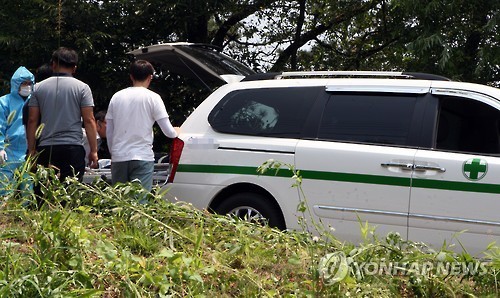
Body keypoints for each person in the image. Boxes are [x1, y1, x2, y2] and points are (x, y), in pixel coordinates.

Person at [27, 47, 98, 188]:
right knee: (70, 194)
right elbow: (89, 120)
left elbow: (32, 120)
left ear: (53, 64)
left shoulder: (38, 88)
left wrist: (31, 150)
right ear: (75, 68)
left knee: (44, 194)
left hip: (46, 149)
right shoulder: (83, 88)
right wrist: (94, 151)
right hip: (73, 148)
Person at [106, 59, 179, 191]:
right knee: (139, 203)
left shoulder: (116, 97)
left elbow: (109, 130)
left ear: (131, 76)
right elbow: (168, 132)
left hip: (119, 157)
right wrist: (176, 131)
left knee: (119, 203)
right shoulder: (153, 98)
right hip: (142, 157)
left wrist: (114, 152)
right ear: (150, 77)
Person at [0, 66, 35, 196]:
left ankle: (25, 214)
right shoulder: (4, 102)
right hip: (9, 151)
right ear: (16, 84)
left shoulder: (35, 101)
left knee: (28, 189)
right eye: (23, 83)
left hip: (29, 151)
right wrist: (0, 147)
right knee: (4, 187)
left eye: (29, 83)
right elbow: (0, 126)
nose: (27, 86)